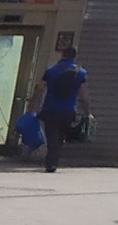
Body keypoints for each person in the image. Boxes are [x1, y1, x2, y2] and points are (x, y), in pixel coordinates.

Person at [36, 44, 88, 175]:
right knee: (60, 137)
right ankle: (53, 161)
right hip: (68, 110)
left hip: (50, 109)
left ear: (62, 55)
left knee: (52, 135)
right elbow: (83, 95)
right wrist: (88, 111)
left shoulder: (51, 70)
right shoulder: (80, 72)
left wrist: (33, 105)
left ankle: (51, 162)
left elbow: (40, 88)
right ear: (75, 56)